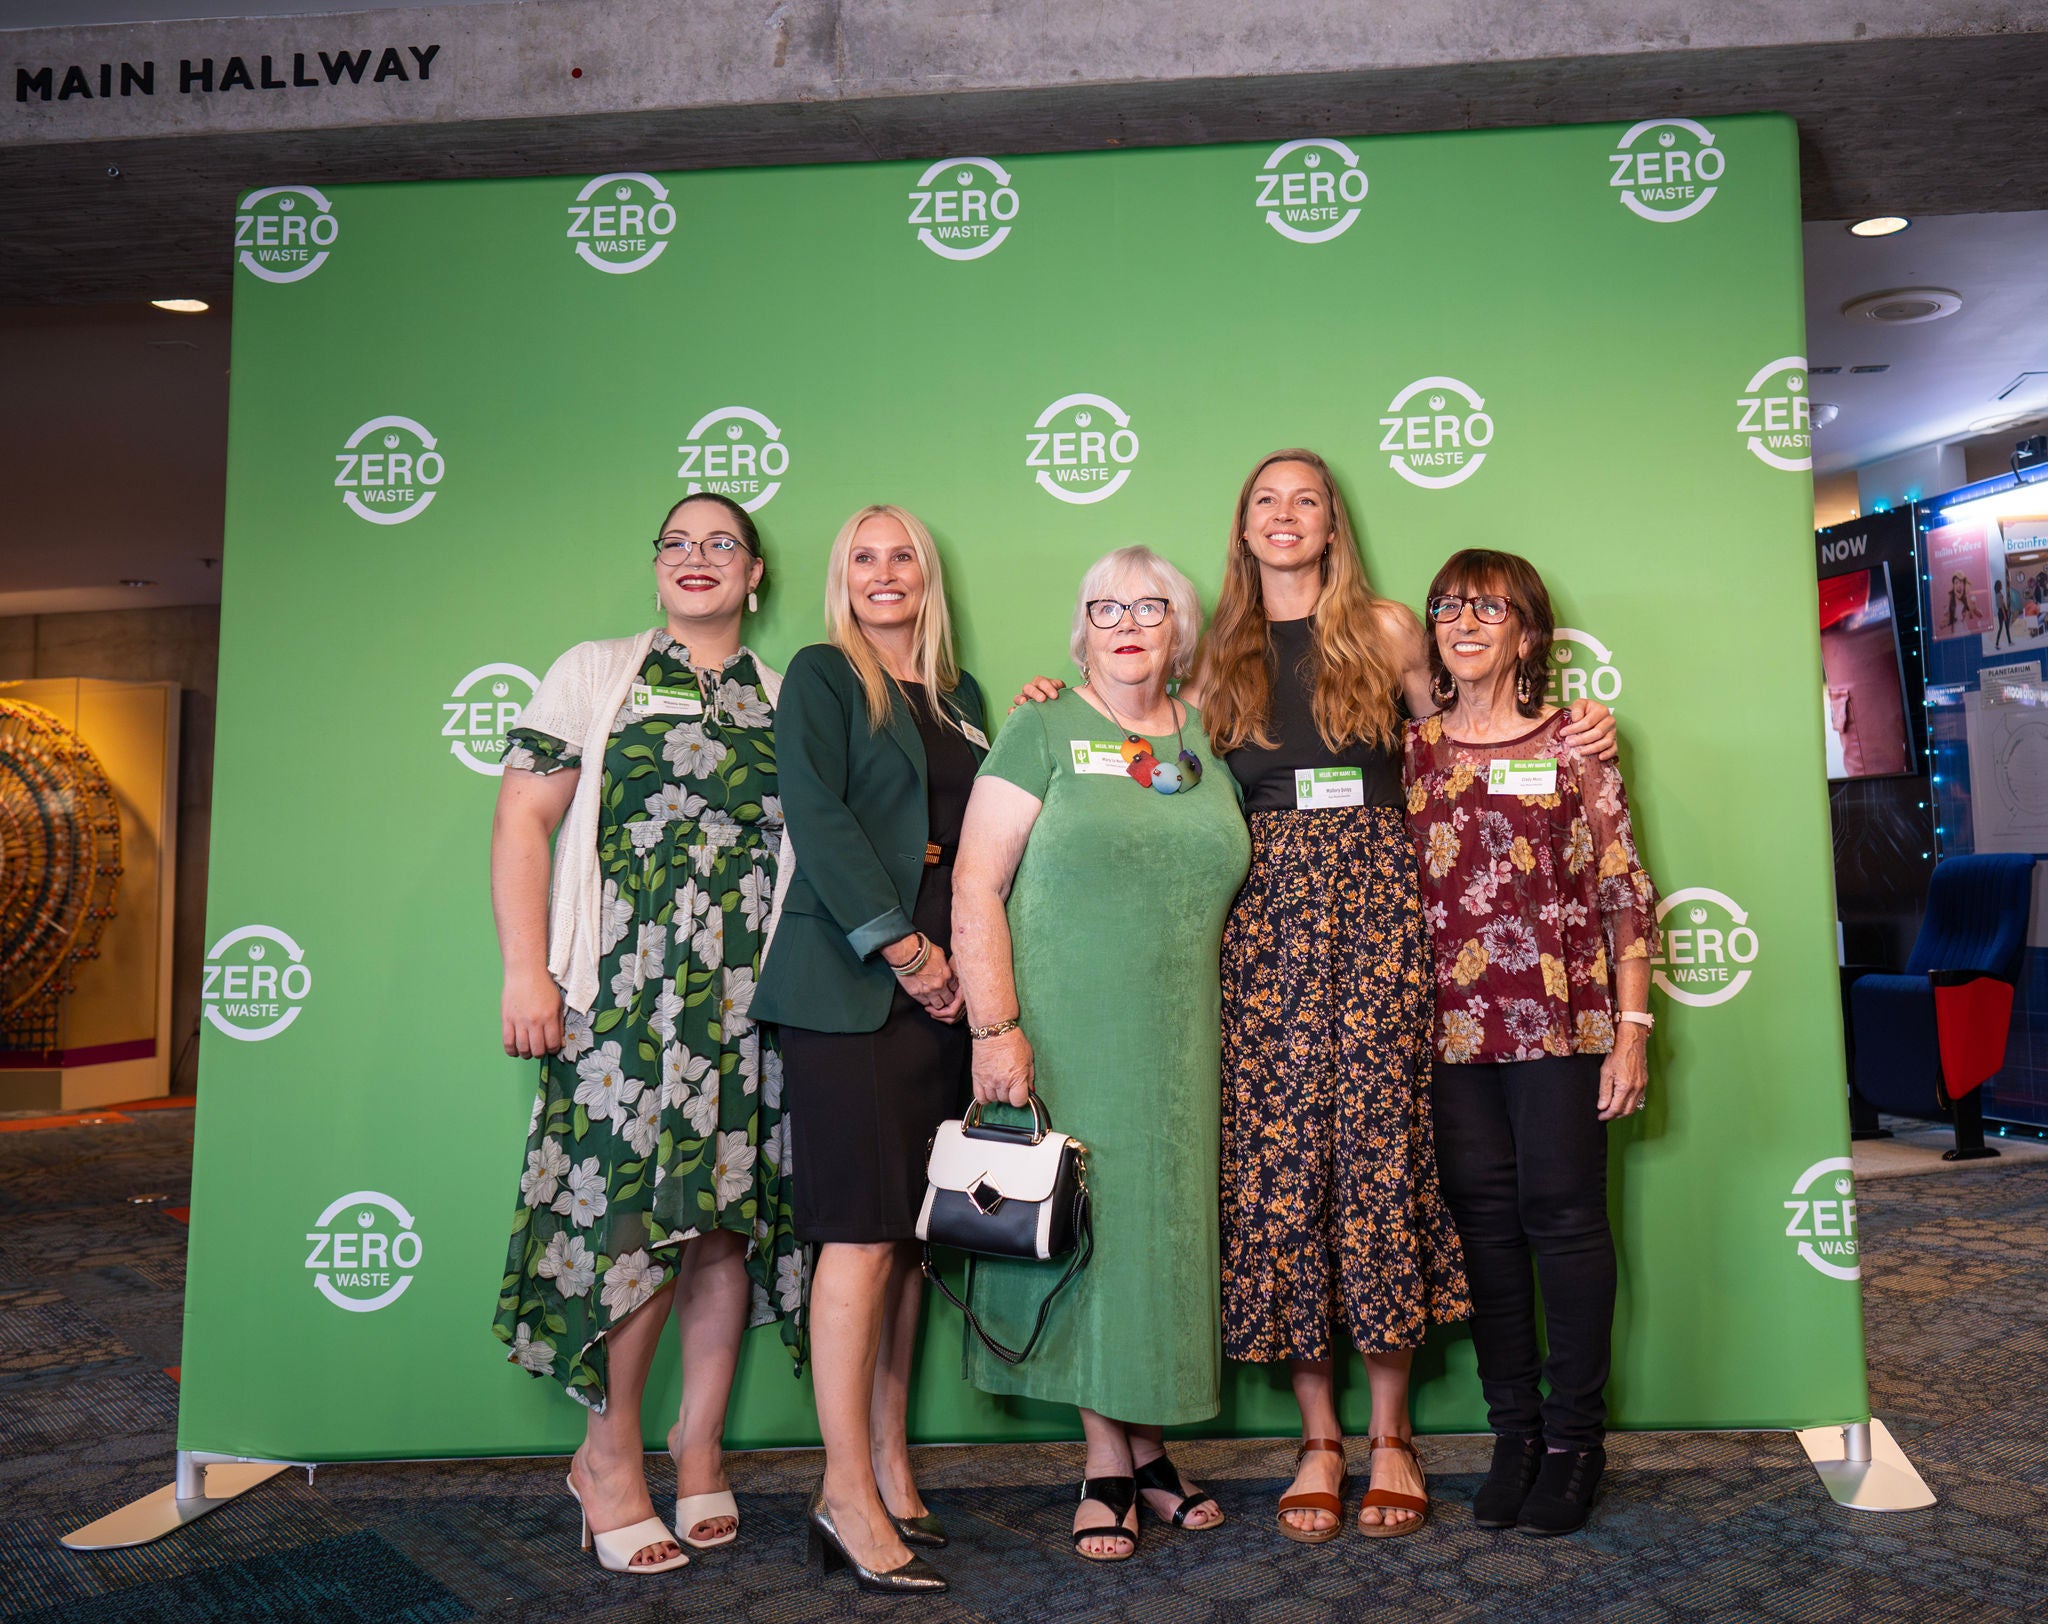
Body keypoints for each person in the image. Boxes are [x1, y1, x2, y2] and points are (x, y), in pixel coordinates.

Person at [1195, 449, 1615, 1541]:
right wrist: (1063, 700)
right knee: (1286, 1174)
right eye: (1264, 503)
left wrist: (1572, 732)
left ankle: (1391, 1435)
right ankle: (1316, 1437)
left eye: (1306, 502)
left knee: (1382, 1162)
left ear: (1333, 526)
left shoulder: (1388, 631)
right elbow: (1152, 762)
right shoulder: (1209, 656)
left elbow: (1456, 745)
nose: (1284, 518)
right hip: (1267, 943)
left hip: (1388, 933)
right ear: (1240, 528)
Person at [490, 493, 804, 1576]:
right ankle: (607, 1457)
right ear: (656, 567)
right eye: (677, 542)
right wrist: (527, 969)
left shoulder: (783, 688)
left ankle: (697, 1443)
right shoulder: (595, 671)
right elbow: (523, 820)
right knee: (632, 1227)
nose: (697, 556)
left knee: (722, 1224)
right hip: (619, 997)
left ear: (754, 574)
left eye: (721, 543)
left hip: (746, 1001)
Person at [952, 546, 1250, 1564]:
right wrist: (996, 1029)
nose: (1126, 620)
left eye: (1150, 605)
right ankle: (1106, 1464)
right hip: (1068, 1027)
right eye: (1104, 605)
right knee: (1087, 1232)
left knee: (1159, 1239)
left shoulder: (1203, 734)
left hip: (1183, 1037)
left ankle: (1152, 1448)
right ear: (1080, 627)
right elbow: (976, 885)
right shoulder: (1039, 725)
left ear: (1181, 627)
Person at [753, 505, 990, 1596]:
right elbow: (818, 813)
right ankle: (841, 1491)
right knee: (854, 1237)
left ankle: (889, 1464)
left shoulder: (962, 698)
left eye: (902, 556)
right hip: (858, 985)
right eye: (863, 556)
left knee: (906, 1240)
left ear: (925, 576)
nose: (884, 572)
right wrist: (902, 948)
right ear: (839, 578)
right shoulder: (821, 674)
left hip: (942, 995)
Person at [1403, 548, 1659, 1537]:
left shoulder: (1577, 739)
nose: (1463, 623)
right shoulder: (1410, 749)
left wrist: (1632, 1029)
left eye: (1486, 607)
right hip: (1446, 1034)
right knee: (1485, 1231)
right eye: (1446, 608)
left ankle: (1572, 1440)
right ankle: (1511, 1432)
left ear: (1524, 630)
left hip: (1562, 1023)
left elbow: (1620, 888)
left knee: (1562, 1221)